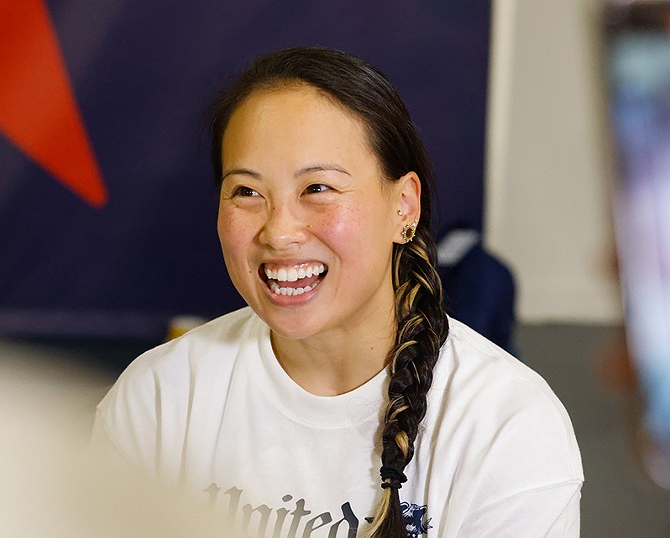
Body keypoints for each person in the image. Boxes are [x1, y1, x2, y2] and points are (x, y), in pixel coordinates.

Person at [93, 47, 583, 537]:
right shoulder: (159, 397)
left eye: (317, 188)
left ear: (404, 206)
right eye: (246, 192)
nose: (279, 232)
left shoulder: (508, 426)